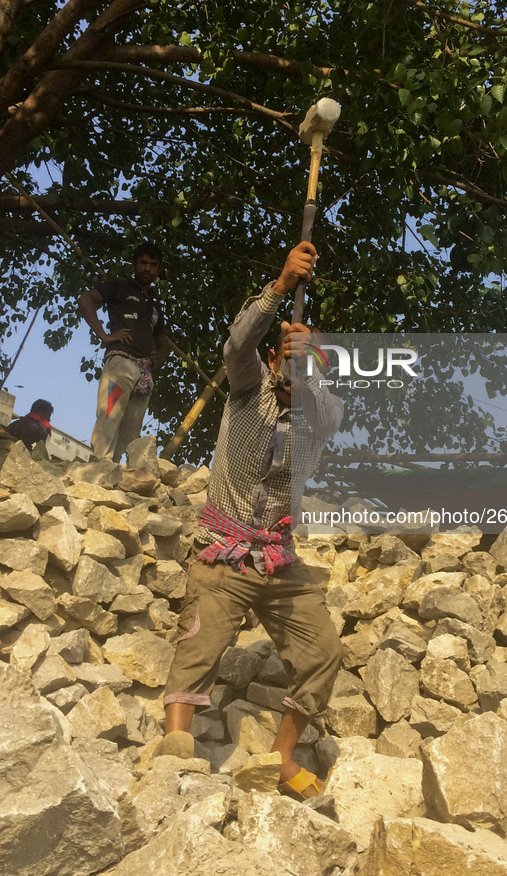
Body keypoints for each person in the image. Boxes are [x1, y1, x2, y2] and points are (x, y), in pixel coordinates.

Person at [160, 242, 344, 799]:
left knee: (323, 652)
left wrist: (307, 364)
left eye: (309, 366)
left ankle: (281, 756)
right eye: (284, 360)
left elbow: (320, 404)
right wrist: (280, 288)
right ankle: (175, 744)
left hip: (278, 559)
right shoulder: (247, 392)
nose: (292, 372)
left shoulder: (324, 413)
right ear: (270, 362)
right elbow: (237, 342)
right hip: (223, 548)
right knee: (202, 642)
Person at [78, 243, 169, 463]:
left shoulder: (156, 303)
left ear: (158, 270)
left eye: (153, 265)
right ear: (134, 265)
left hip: (144, 373)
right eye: (143, 263)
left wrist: (159, 359)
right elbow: (86, 300)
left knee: (131, 433)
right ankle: (99, 471)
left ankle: (117, 480)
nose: (147, 268)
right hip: (120, 365)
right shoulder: (118, 286)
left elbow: (163, 339)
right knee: (109, 418)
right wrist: (104, 335)